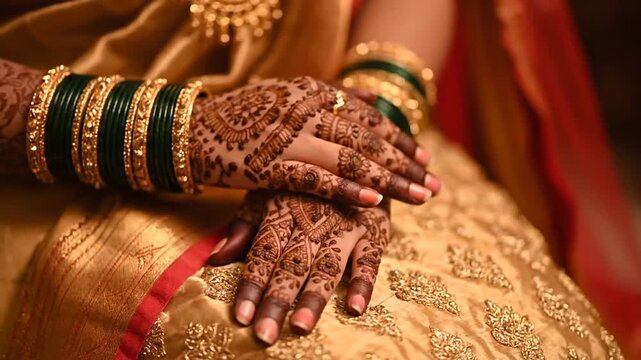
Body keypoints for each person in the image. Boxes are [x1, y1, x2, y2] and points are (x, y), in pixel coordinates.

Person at [0, 0, 637, 358]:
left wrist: (363, 135)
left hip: (337, 98)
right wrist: (178, 132)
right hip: (51, 164)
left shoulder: (355, 133)